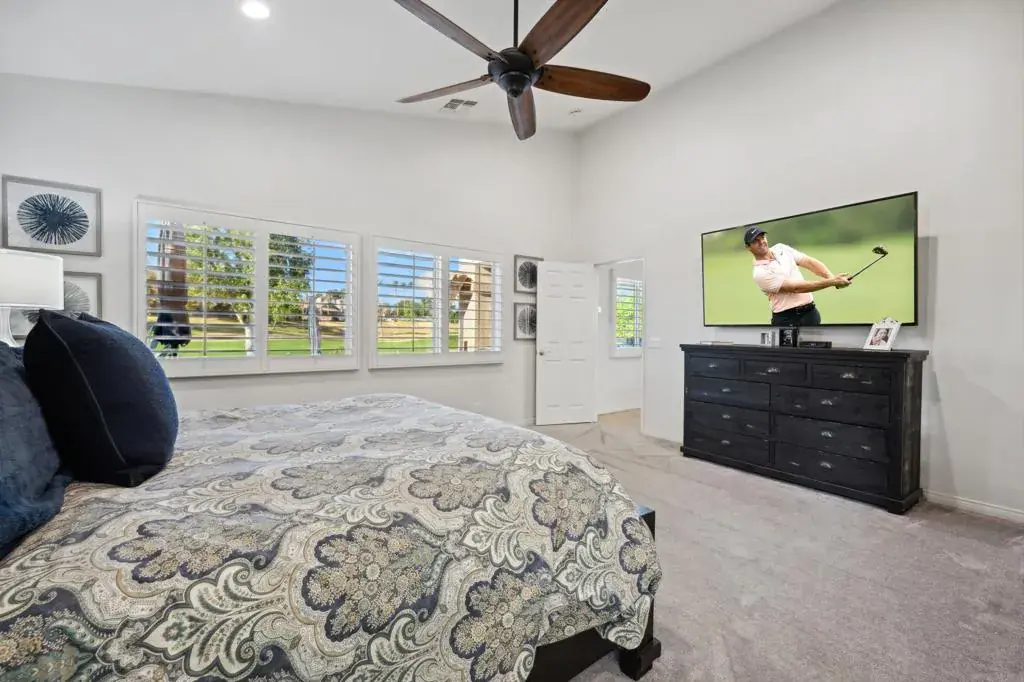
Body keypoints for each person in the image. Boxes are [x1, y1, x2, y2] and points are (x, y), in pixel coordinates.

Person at [744, 226, 852, 327]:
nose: (761, 242)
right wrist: (832, 282)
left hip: (810, 313)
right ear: (748, 248)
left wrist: (831, 278)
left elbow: (808, 262)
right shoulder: (760, 273)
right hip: (787, 319)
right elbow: (796, 288)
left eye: (762, 237)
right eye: (755, 241)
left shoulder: (781, 248)